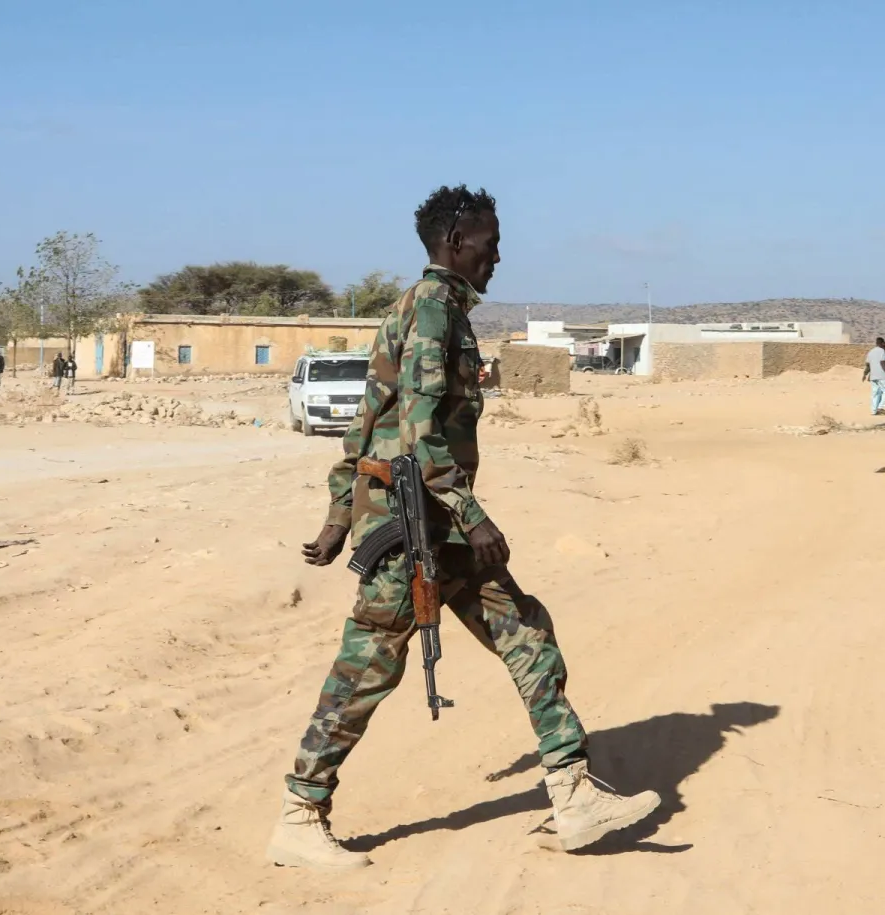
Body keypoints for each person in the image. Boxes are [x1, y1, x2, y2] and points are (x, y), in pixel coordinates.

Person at [268, 185, 660, 871]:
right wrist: (469, 518)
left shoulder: (423, 309)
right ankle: (300, 812)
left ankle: (571, 792)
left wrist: (338, 516)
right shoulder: (432, 311)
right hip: (414, 528)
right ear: (456, 244)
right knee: (366, 668)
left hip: (433, 523)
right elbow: (415, 432)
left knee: (528, 631)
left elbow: (365, 424)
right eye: (489, 244)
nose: (497, 256)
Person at [862, 337, 885, 415]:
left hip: (873, 376)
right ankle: (881, 407)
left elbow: (868, 364)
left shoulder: (870, 352)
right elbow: (882, 362)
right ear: (881, 343)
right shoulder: (882, 351)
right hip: (881, 374)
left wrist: (865, 374)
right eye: (884, 343)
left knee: (875, 392)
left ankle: (873, 411)